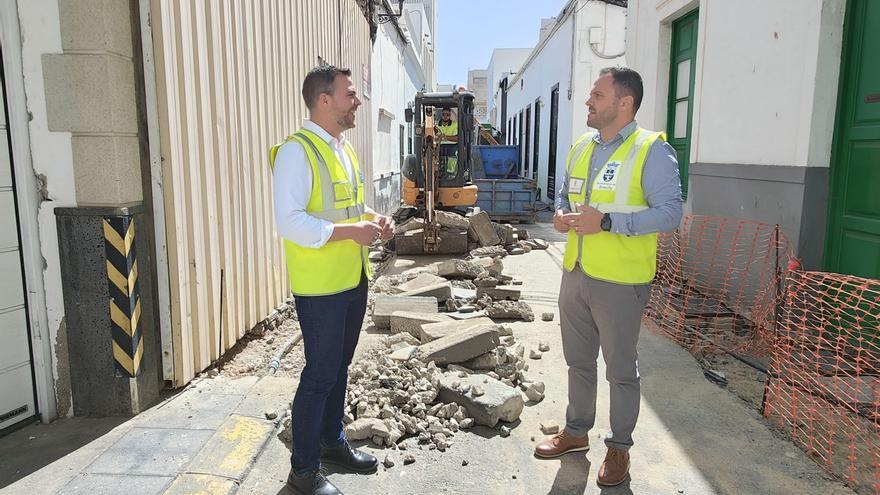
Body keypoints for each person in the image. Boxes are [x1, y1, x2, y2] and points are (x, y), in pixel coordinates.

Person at [533, 67, 683, 487]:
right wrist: (561, 216)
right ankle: (576, 432)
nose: (588, 101)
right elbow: (566, 193)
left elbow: (671, 213)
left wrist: (610, 222)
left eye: (597, 95)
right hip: (576, 272)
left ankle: (619, 448)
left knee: (620, 368)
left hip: (620, 281)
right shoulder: (582, 146)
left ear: (624, 103)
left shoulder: (650, 149)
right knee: (578, 362)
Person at [270, 64, 394, 495]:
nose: (357, 101)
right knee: (319, 375)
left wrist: (373, 219)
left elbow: (346, 209)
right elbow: (290, 222)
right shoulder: (296, 151)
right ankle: (303, 471)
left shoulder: (343, 148)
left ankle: (331, 443)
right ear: (324, 100)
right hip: (320, 287)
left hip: (351, 278)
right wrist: (349, 232)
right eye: (351, 95)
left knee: (338, 368)